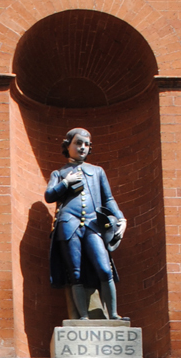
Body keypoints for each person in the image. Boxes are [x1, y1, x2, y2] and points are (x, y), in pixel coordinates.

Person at [45, 128, 127, 320]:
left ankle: (113, 314)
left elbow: (108, 199)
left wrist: (121, 218)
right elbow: (49, 195)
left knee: (104, 268)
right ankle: (83, 317)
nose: (82, 147)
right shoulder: (59, 173)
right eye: (78, 143)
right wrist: (66, 183)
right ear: (68, 145)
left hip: (92, 223)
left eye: (86, 144)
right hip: (68, 224)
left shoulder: (97, 171)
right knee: (75, 272)